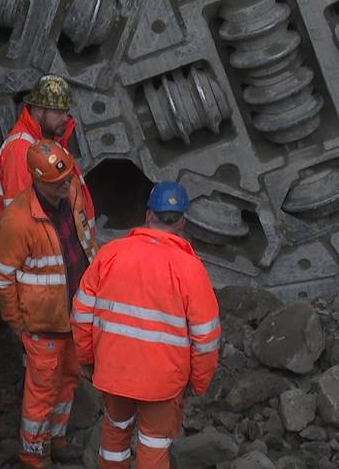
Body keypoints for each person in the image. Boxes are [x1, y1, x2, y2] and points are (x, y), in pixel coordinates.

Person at [71, 181, 221, 469]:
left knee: (114, 435)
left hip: (114, 372)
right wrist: (198, 383)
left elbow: (81, 314)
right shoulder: (190, 269)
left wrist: (88, 360)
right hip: (162, 382)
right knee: (153, 446)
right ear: (182, 222)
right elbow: (206, 338)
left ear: (148, 215)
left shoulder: (110, 254)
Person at [0, 139, 98, 468]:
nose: (67, 186)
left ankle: (57, 439)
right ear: (37, 181)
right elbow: (1, 278)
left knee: (68, 381)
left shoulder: (73, 192)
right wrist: (17, 322)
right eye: (58, 183)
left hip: (75, 317)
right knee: (41, 393)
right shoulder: (18, 221)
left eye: (67, 179)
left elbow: (86, 241)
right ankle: (34, 456)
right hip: (43, 326)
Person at [0, 74, 94, 216]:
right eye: (58, 112)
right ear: (38, 110)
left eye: (67, 111)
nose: (65, 118)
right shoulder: (20, 151)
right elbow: (22, 217)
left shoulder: (49, 140)